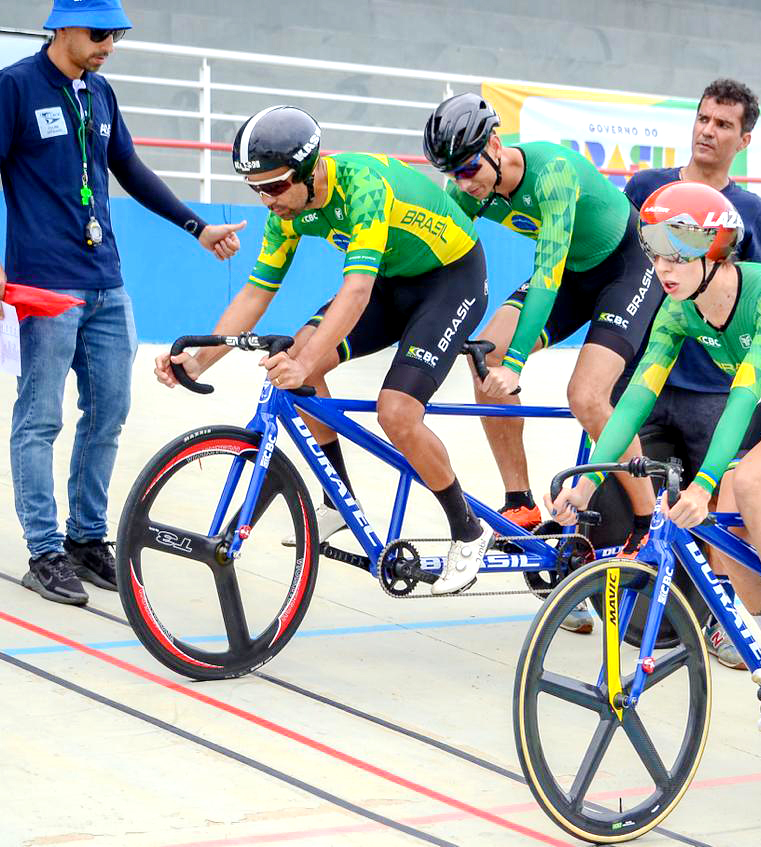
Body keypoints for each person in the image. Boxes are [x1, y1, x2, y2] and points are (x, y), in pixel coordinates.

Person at [549, 181, 761, 694]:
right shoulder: (678, 310)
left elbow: (743, 397)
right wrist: (586, 485)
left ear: (714, 251)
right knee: (727, 535)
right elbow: (637, 399)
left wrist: (703, 483)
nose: (662, 269)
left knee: (750, 484)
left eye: (676, 255)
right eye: (654, 254)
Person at [153, 106, 492, 595]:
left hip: (449, 281)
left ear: (310, 170)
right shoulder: (286, 212)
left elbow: (356, 291)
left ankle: (468, 530)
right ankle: (339, 501)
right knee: (301, 361)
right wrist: (200, 359)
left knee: (396, 412)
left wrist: (305, 361)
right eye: (255, 189)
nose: (266, 201)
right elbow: (256, 291)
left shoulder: (363, 186)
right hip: (391, 282)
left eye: (274, 187)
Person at [0, 0, 244, 605]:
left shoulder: (100, 92)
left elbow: (129, 167)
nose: (109, 45)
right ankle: (45, 551)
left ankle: (86, 540)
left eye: (117, 35)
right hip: (44, 287)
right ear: (62, 27)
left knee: (108, 412)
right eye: (100, 33)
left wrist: (196, 227)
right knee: (39, 419)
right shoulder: (15, 87)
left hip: (106, 281)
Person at [422, 94, 661, 561]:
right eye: (452, 174)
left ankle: (647, 522)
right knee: (485, 353)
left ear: (495, 145)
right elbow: (436, 254)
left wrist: (516, 364)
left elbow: (547, 275)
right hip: (573, 271)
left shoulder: (552, 173)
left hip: (625, 268)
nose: (463, 183)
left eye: (469, 168)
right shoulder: (468, 191)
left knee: (586, 396)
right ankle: (520, 502)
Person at [623, 77, 761, 669]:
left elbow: (753, 296)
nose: (709, 131)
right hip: (649, 375)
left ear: (744, 140)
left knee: (721, 509)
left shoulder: (748, 211)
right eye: (704, 118)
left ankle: (725, 618)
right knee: (630, 493)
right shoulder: (645, 188)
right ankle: (604, 592)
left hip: (712, 388)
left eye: (723, 124)